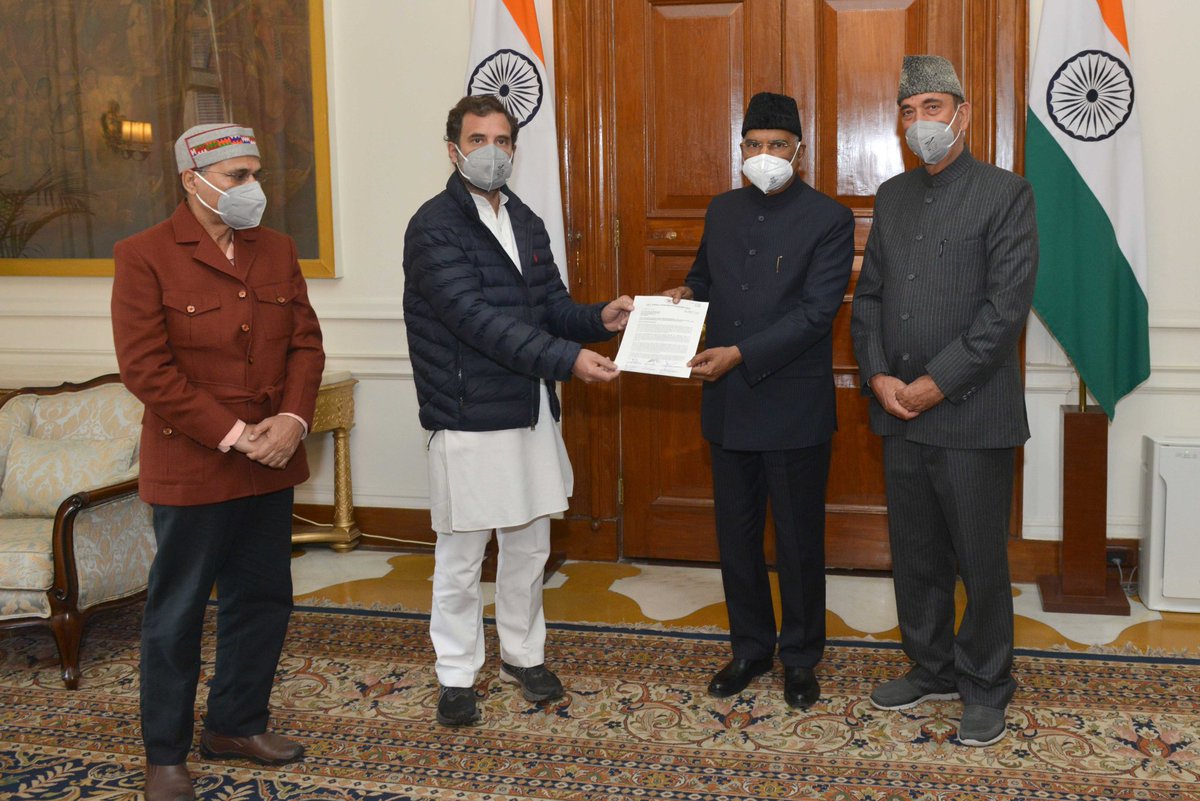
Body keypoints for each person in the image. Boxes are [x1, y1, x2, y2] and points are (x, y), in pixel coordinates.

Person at [403, 94, 634, 727]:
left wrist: (599, 320)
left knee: (529, 545)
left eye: (502, 140)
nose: (491, 151)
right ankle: (456, 671)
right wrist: (568, 361)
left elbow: (549, 306)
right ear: (453, 150)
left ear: (515, 148)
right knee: (461, 555)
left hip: (530, 408)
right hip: (469, 412)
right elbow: (476, 322)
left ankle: (522, 655)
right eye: (477, 139)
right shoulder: (434, 226)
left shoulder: (526, 219)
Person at [111, 123, 325, 801]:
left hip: (270, 462)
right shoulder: (143, 255)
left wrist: (291, 421)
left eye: (254, 173)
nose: (252, 189)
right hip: (194, 463)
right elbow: (147, 369)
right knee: (175, 614)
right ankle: (165, 753)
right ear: (192, 180)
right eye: (237, 176)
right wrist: (236, 432)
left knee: (262, 599)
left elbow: (306, 346)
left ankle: (236, 722)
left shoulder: (278, 249)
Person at [850, 55, 1038, 746]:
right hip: (898, 412)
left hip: (972, 412)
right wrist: (878, 377)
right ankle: (930, 665)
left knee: (979, 562)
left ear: (963, 111)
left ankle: (986, 682)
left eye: (933, 106)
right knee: (916, 551)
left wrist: (936, 380)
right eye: (908, 110)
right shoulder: (893, 196)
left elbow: (1004, 309)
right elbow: (867, 297)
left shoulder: (1006, 193)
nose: (920, 121)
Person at [663, 92, 854, 710]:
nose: (764, 155)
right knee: (737, 534)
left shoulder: (829, 217)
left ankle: (800, 656)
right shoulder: (721, 210)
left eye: (776, 144)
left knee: (798, 541)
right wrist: (684, 291)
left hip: (793, 405)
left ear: (799, 150)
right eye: (753, 144)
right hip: (728, 403)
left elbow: (816, 312)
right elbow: (706, 278)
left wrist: (741, 353)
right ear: (739, 148)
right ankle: (749, 648)